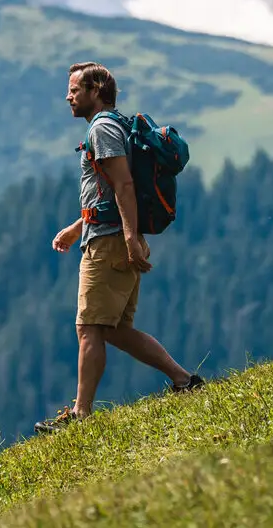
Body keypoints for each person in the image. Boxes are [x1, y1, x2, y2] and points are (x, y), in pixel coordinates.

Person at [35, 62, 204, 434]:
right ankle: (183, 381)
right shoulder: (114, 125)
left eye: (75, 90)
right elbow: (110, 190)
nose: (68, 96)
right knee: (115, 329)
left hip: (109, 242)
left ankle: (80, 415)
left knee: (89, 328)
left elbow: (124, 185)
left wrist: (129, 239)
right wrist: (77, 226)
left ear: (96, 90)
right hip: (111, 234)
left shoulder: (103, 128)